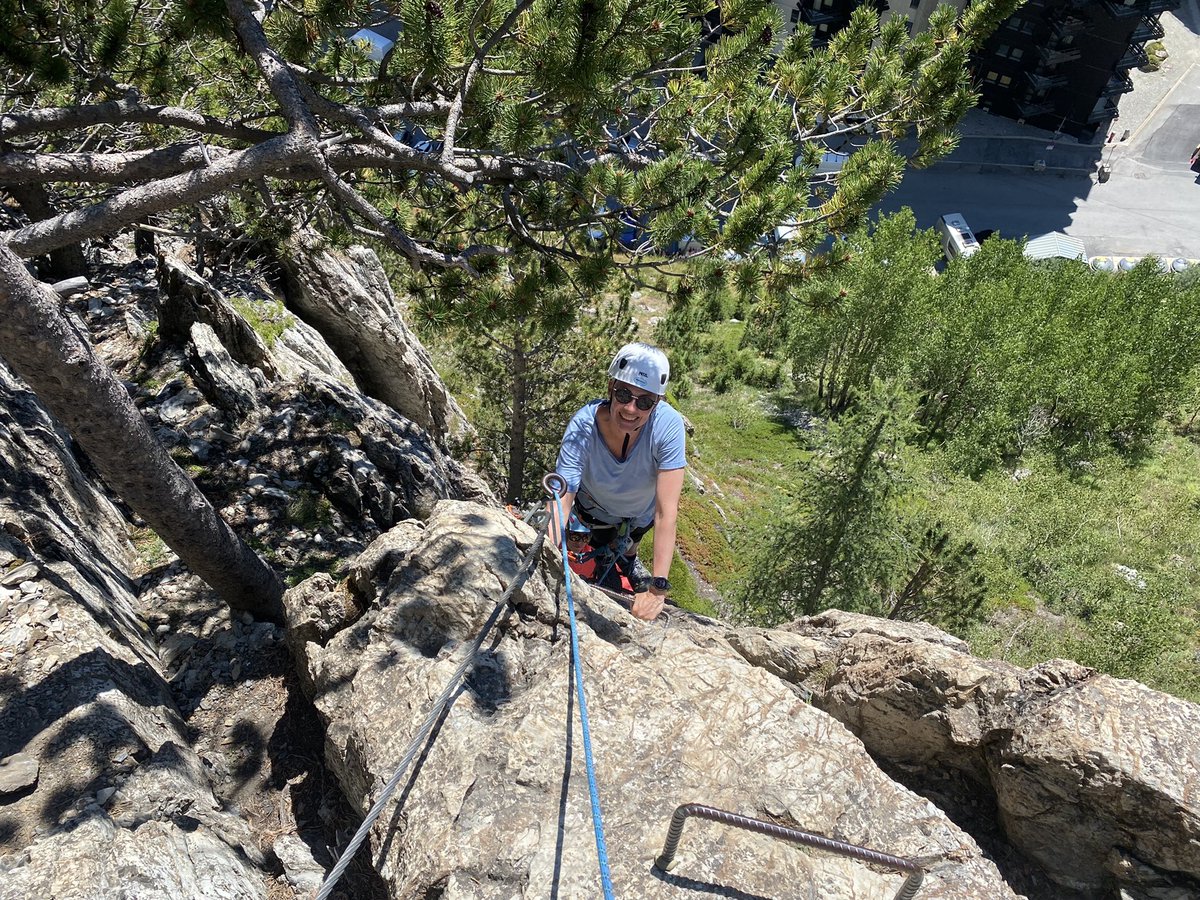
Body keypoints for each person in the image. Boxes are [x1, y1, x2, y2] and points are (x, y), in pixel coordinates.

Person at [548, 342, 686, 621]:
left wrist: (658, 589)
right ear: (611, 387)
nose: (631, 408)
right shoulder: (584, 425)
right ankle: (610, 559)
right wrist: (546, 554)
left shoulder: (668, 427)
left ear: (657, 402)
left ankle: (629, 559)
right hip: (595, 511)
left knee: (631, 542)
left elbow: (666, 512)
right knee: (605, 544)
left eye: (644, 402)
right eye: (624, 394)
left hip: (640, 514)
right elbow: (562, 497)